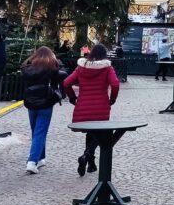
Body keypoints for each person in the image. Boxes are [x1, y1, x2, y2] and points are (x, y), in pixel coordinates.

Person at [63, 44, 120, 176]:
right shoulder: (107, 68)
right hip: (101, 107)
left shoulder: (81, 67)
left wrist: (72, 97)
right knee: (98, 133)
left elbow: (66, 83)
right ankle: (87, 155)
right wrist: (112, 99)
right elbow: (115, 84)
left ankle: (91, 164)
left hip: (83, 105)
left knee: (91, 132)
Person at [21, 46, 63, 174]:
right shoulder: (51, 68)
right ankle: (32, 161)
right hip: (45, 101)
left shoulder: (27, 68)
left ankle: (40, 158)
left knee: (36, 131)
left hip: (31, 101)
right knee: (40, 131)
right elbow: (61, 75)